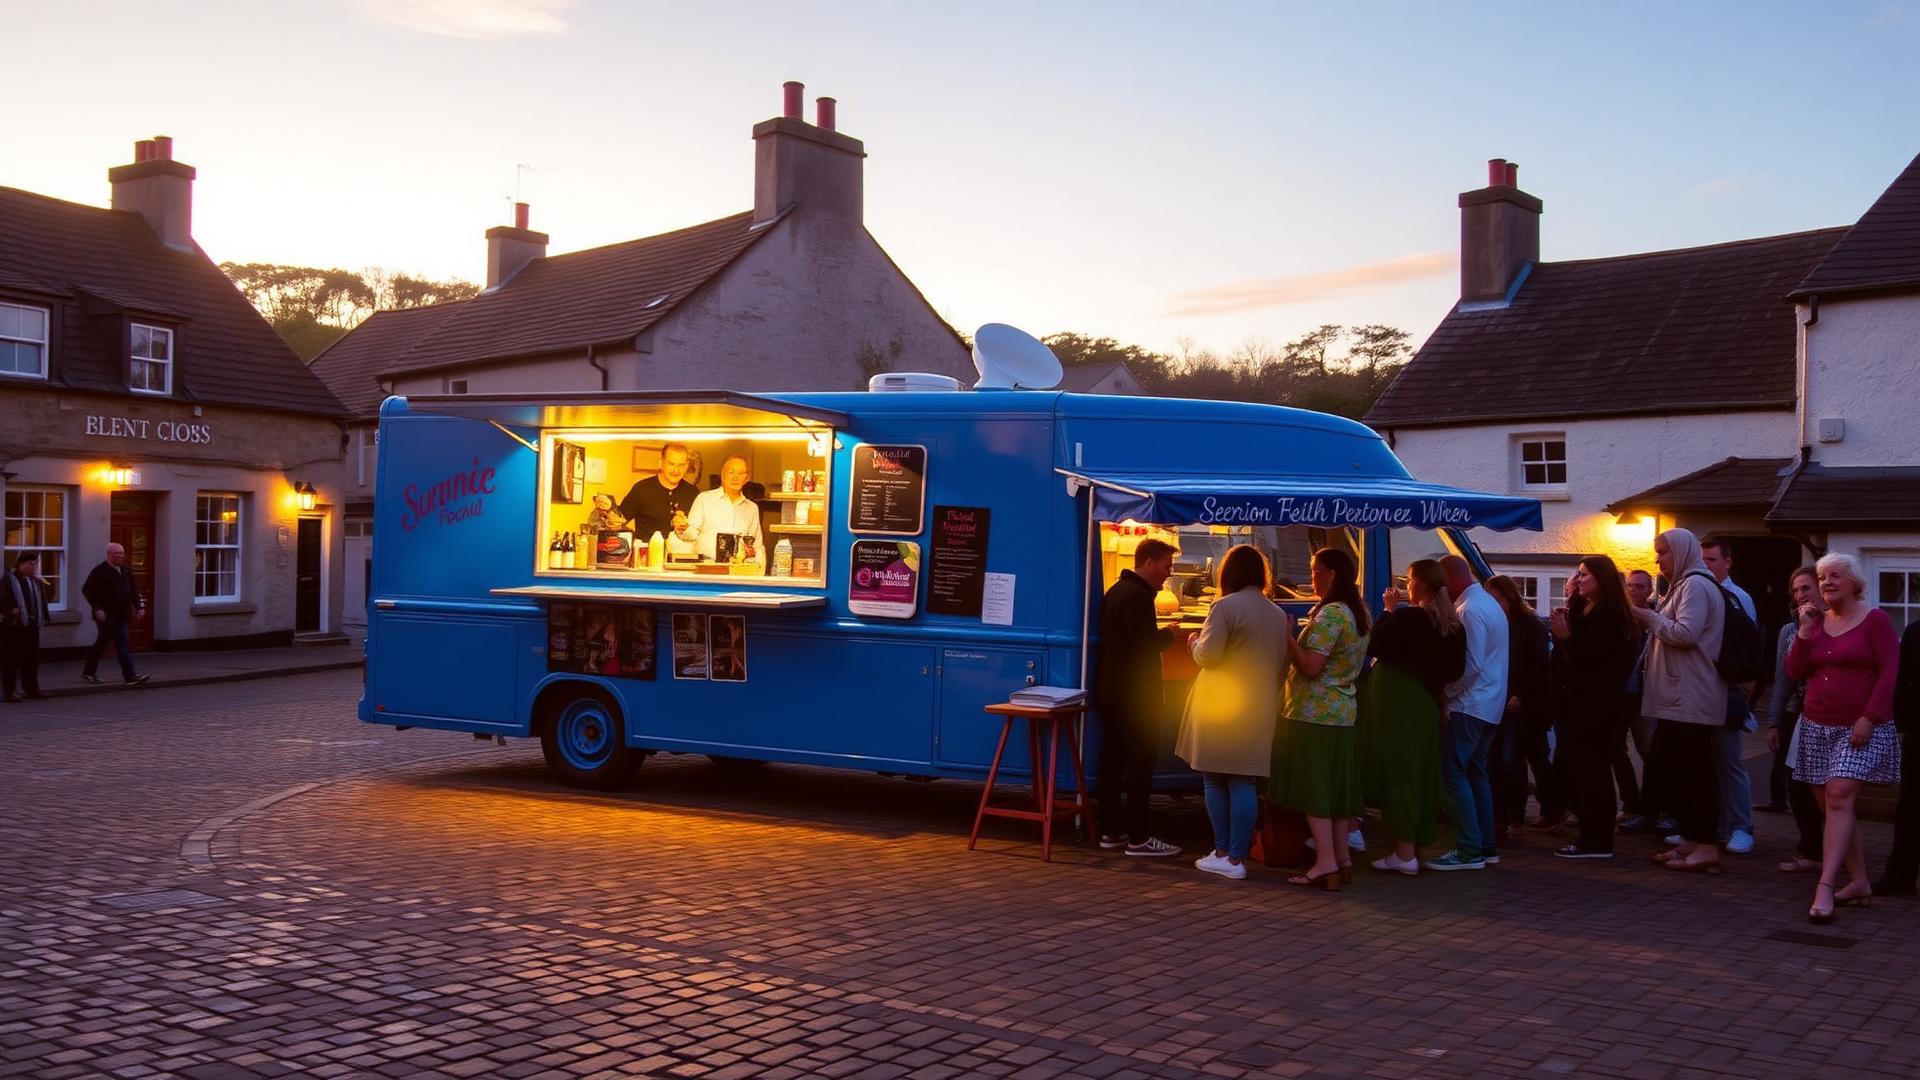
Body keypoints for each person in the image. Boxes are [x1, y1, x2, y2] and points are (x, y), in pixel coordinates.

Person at [1786, 553, 1901, 923]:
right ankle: (1861, 881)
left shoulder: (1875, 621)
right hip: (1816, 727)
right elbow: (1794, 671)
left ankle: (1826, 885)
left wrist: (1869, 717)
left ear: (1854, 582)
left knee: (1837, 796)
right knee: (1835, 808)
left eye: (1835, 576)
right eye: (1822, 577)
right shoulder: (1815, 624)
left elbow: (1889, 672)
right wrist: (1803, 633)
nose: (1827, 583)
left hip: (1859, 728)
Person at [1176, 545, 1291, 881]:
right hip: (1258, 706)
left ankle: (1225, 852)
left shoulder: (1224, 606)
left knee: (1213, 776)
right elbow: (1282, 666)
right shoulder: (1276, 614)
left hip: (1220, 704)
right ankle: (1238, 856)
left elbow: (1209, 656)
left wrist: (1194, 643)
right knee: (1244, 779)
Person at [1270, 547, 1371, 889]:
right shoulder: (1358, 613)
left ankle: (1325, 862)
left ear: (1333, 575)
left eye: (1316, 570)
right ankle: (1341, 859)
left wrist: (1287, 637)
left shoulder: (1331, 615)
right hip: (1343, 712)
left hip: (1315, 712)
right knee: (1338, 791)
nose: (1311, 576)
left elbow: (1312, 667)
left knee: (1317, 790)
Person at [1363, 559, 1466, 875]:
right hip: (1426, 703)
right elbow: (1455, 670)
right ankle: (1416, 845)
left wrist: (1388, 610)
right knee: (1421, 772)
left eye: (1408, 579)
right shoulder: (1452, 625)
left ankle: (1404, 851)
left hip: (1399, 703)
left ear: (1418, 584)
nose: (1406, 584)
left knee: (1400, 772)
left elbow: (1376, 642)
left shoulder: (1410, 617)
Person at [1637, 529, 1726, 874]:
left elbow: (1685, 634)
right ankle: (1692, 839)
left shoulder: (1696, 586)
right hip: (1679, 697)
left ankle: (1705, 845)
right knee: (1675, 768)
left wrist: (1648, 617)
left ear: (1681, 552)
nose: (1658, 559)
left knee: (1695, 771)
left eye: (1663, 552)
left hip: (1692, 697)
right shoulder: (1683, 585)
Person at [1546, 556, 1642, 859]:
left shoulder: (1608, 614)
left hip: (1596, 705)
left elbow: (1589, 660)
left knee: (1593, 772)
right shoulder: (1593, 609)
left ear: (1601, 578)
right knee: (1585, 771)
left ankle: (1596, 840)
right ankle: (1592, 836)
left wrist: (1564, 639)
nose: (1579, 578)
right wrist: (1571, 605)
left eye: (1584, 574)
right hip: (1584, 703)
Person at [1093, 538, 1182, 858]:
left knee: (1112, 765)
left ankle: (1111, 831)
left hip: (1111, 692)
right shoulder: (1137, 597)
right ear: (1147, 563)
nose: (1168, 573)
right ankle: (1139, 837)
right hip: (1136, 697)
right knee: (1141, 766)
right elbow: (1143, 645)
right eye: (1165, 565)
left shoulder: (1117, 592)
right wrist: (1168, 634)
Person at [1425, 555, 1509, 871]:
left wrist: (1445, 693)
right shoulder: (1488, 604)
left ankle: (1469, 848)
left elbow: (1469, 665)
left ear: (1449, 576)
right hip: (1490, 704)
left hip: (1469, 705)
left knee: (1453, 774)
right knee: (1476, 774)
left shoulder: (1469, 610)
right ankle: (1485, 845)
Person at [1699, 537, 1756, 855]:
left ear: (1728, 562)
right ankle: (1712, 826)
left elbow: (1746, 649)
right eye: (1703, 559)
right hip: (1701, 691)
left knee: (1730, 761)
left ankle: (1741, 826)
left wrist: (1744, 694)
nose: (1706, 565)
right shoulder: (1697, 592)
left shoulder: (1738, 598)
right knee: (1705, 762)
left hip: (1727, 691)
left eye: (1712, 560)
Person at [1485, 575, 1551, 840]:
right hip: (1499, 698)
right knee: (1499, 759)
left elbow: (1539, 664)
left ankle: (1516, 816)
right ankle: (1501, 817)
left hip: (1520, 702)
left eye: (1495, 599)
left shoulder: (1529, 625)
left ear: (1507, 597)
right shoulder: (1497, 624)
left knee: (1512, 759)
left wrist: (1521, 695)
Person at [1769, 566, 1825, 875]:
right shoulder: (1789, 631)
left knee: (1828, 787)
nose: (1800, 595)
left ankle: (1835, 847)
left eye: (1806, 588)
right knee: (1797, 783)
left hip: (1830, 713)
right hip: (1796, 712)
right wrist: (1775, 721)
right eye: (1795, 590)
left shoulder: (1835, 625)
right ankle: (1811, 848)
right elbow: (1782, 679)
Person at [1873, 618, 1920, 899]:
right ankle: (1900, 875)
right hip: (1918, 732)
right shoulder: (1915, 632)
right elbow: (1904, 681)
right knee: (1911, 807)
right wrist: (1902, 725)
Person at [1617, 569, 1662, 830]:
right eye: (1630, 586)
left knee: (1649, 751)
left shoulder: (1655, 618)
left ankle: (1653, 807)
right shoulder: (1621, 618)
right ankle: (1632, 803)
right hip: (1621, 695)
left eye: (1640, 587)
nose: (1634, 591)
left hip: (1646, 696)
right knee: (1616, 750)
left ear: (1649, 590)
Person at [81, 543, 150, 687]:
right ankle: (125, 675)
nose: (120, 556)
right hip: (106, 615)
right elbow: (88, 590)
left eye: (122, 553)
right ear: (108, 555)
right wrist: (97, 608)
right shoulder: (99, 571)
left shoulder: (126, 571)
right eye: (116, 554)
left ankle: (129, 675)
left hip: (122, 614)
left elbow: (133, 590)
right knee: (103, 643)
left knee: (121, 644)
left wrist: (139, 606)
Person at [679, 455, 765, 563]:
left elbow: (758, 546)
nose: (735, 477)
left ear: (746, 478)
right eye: (731, 472)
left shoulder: (751, 508)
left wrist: (756, 561)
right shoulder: (704, 499)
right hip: (707, 568)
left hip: (738, 571)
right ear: (723, 475)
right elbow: (690, 534)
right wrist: (681, 527)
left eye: (741, 473)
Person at [618, 442, 700, 542]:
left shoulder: (693, 493)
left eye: (681, 465)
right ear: (661, 463)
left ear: (687, 466)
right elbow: (618, 522)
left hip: (682, 555)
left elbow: (699, 531)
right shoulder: (641, 489)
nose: (676, 470)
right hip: (647, 554)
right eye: (671, 464)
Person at [1, 553, 52, 701]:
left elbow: (42, 599)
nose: (33, 567)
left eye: (35, 564)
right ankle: (10, 691)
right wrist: (11, 609)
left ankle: (31, 688)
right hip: (14, 626)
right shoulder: (9, 580)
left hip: (32, 624)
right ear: (20, 564)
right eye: (30, 564)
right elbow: (2, 599)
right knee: (11, 659)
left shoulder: (35, 581)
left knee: (32, 658)